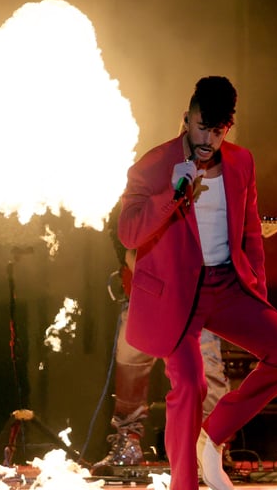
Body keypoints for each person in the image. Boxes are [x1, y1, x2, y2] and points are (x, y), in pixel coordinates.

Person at [117, 76, 277, 490]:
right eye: (201, 128)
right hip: (177, 295)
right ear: (186, 119)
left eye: (218, 131)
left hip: (227, 284)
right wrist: (170, 196)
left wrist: (257, 286)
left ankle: (214, 435)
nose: (208, 140)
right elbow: (128, 232)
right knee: (190, 384)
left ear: (229, 128)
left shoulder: (242, 163)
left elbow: (251, 231)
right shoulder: (155, 165)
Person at [92, 200, 229, 472]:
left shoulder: (201, 199)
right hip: (144, 301)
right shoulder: (135, 199)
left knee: (206, 373)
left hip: (192, 303)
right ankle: (127, 441)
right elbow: (125, 247)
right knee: (130, 367)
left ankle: (210, 448)